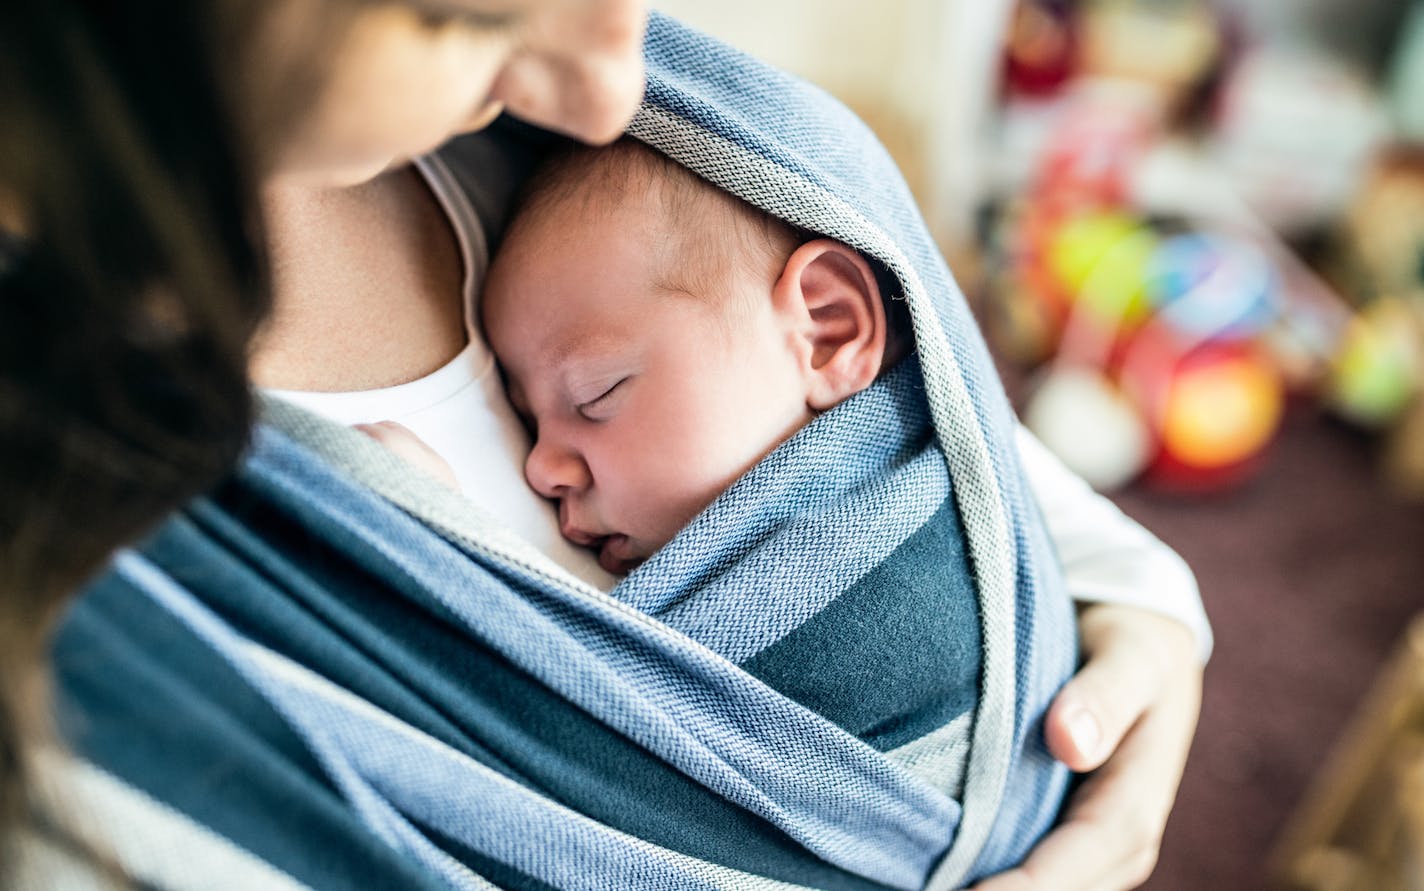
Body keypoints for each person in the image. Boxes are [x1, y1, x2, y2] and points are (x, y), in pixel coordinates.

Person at [0, 2, 1205, 889]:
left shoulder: (631, 159)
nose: (606, 83)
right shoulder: (85, 569)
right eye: (466, 17)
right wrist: (456, 569)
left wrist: (1140, 600)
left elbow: (916, 414)